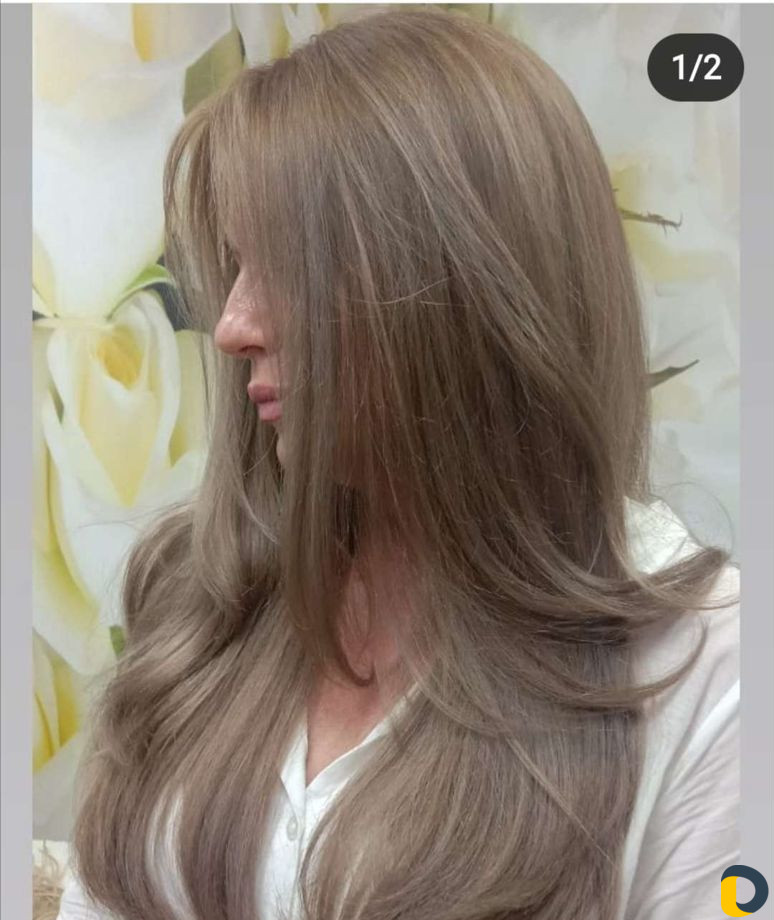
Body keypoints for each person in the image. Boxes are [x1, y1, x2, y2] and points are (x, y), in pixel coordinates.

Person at [56, 8, 740, 920]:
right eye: (237, 267)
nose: (231, 326)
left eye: (288, 266)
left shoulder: (701, 670)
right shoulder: (205, 599)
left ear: (463, 285)